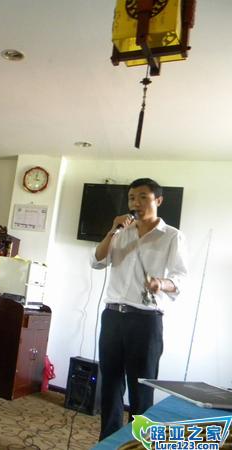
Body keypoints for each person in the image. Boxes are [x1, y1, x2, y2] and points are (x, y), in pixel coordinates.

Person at [91, 178, 188, 440]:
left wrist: (160, 283)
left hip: (146, 320)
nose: (136, 202)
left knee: (141, 389)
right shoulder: (121, 232)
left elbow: (180, 279)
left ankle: (138, 442)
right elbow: (97, 261)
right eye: (132, 197)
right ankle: (109, 439)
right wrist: (112, 231)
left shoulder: (172, 236)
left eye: (143, 197)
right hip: (113, 316)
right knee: (110, 384)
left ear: (158, 200)